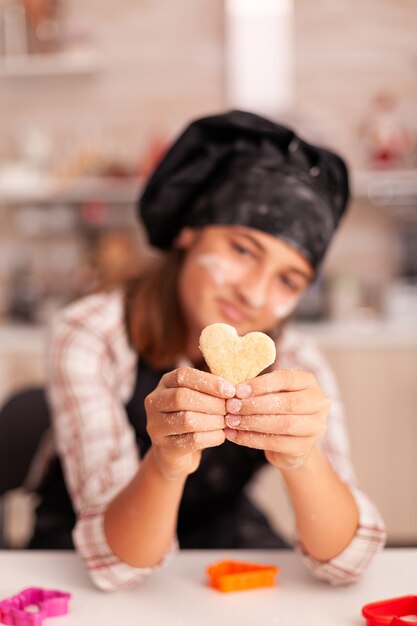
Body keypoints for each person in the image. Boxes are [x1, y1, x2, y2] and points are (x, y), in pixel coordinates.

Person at [30, 110, 386, 590]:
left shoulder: (296, 357)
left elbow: (350, 562)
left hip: (220, 535)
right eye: (243, 250)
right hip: (96, 546)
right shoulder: (93, 332)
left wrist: (303, 458)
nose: (256, 295)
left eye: (288, 279)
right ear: (190, 230)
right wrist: (166, 461)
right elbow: (119, 568)